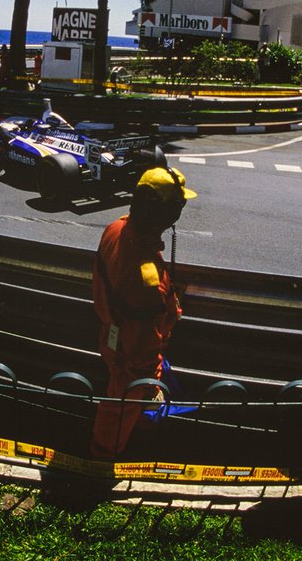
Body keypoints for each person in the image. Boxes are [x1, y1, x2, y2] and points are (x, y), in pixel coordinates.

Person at [91, 166, 196, 459]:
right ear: (163, 213)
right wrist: (149, 384)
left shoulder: (118, 228)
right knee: (118, 412)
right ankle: (101, 462)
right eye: (177, 207)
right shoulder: (145, 280)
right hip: (132, 363)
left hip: (113, 335)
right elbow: (141, 349)